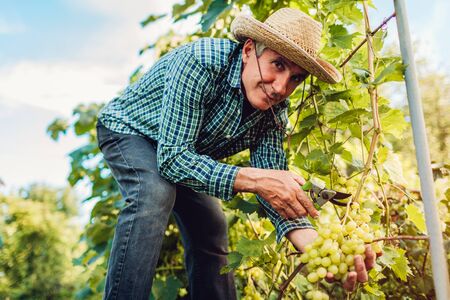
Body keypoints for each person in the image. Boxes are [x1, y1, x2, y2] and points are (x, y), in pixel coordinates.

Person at [96, 7, 375, 300]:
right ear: (248, 50)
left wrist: (314, 244)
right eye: (277, 65)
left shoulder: (274, 111)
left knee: (212, 226)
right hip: (130, 131)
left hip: (182, 152)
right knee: (153, 193)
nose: (281, 87)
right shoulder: (201, 63)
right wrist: (254, 179)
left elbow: (273, 186)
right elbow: (173, 159)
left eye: (295, 78)